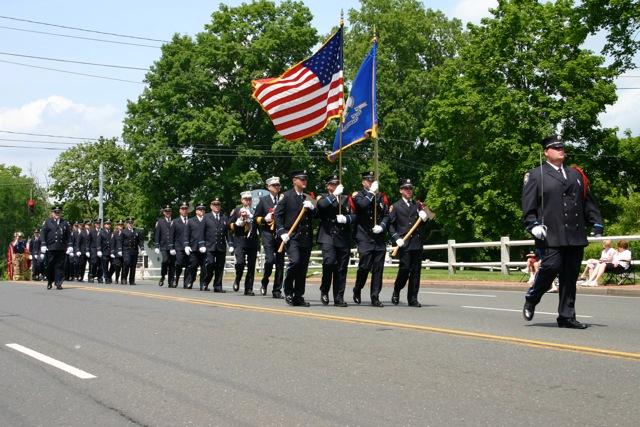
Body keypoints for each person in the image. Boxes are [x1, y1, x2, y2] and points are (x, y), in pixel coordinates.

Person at [521, 134, 603, 329]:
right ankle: (533, 297)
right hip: (550, 233)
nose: (560, 150)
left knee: (570, 275)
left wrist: (596, 221)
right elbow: (528, 205)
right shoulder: (535, 175)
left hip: (574, 233)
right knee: (551, 267)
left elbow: (587, 201)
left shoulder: (576, 175)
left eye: (562, 147)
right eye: (555, 147)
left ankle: (566, 317)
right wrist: (533, 225)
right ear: (546, 152)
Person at [275, 170, 316, 306]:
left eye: (305, 179)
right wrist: (281, 232)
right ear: (294, 181)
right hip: (291, 237)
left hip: (306, 237)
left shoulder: (307, 197)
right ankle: (288, 291)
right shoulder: (286, 196)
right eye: (301, 179)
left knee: (303, 268)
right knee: (295, 262)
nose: (304, 181)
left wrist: (312, 208)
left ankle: (298, 296)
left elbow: (315, 216)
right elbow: (278, 215)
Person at [389, 178, 432, 307]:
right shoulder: (395, 206)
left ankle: (413, 298)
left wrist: (426, 217)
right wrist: (396, 238)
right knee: (404, 269)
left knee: (416, 272)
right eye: (406, 188)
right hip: (404, 242)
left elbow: (430, 216)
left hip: (416, 243)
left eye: (410, 188)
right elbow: (390, 225)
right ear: (401, 190)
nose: (409, 191)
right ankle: (397, 290)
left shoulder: (418, 205)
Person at [352, 171, 390, 307]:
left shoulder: (381, 197)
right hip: (364, 236)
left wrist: (382, 226)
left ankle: (375, 296)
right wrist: (371, 193)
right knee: (364, 266)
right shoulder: (359, 195)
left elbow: (386, 215)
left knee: (378, 268)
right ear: (363, 182)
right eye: (369, 180)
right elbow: (362, 206)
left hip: (378, 237)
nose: (371, 182)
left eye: (373, 180)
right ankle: (357, 288)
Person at [316, 174, 353, 307]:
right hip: (328, 235)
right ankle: (324, 289)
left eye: (337, 184)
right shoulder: (323, 197)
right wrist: (333, 196)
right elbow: (320, 207)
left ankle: (339, 297)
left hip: (343, 236)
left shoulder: (346, 199)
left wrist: (347, 219)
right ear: (328, 186)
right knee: (329, 263)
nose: (335, 186)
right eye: (332, 184)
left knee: (341, 268)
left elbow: (354, 215)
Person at [254, 176, 285, 298]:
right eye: (274, 185)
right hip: (267, 234)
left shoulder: (283, 199)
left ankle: (277, 290)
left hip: (280, 234)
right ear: (269, 187)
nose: (277, 187)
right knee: (270, 260)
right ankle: (265, 281)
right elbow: (255, 218)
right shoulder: (263, 200)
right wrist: (264, 219)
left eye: (278, 185)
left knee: (280, 263)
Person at [229, 191, 259, 295]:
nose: (248, 201)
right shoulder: (237, 210)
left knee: (251, 266)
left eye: (249, 199)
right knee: (240, 263)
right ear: (242, 200)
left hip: (252, 241)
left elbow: (259, 223)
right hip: (240, 241)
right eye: (245, 199)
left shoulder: (255, 210)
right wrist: (238, 223)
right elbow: (229, 225)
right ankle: (237, 278)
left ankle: (248, 288)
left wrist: (251, 217)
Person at [40, 205, 74, 289]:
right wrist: (43, 244)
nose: (57, 213)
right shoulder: (48, 222)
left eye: (58, 212)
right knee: (50, 265)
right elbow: (43, 234)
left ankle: (59, 282)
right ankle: (50, 281)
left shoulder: (65, 223)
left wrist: (70, 245)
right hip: (51, 247)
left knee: (60, 266)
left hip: (61, 248)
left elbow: (68, 235)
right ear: (52, 213)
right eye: (55, 212)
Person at [203, 198, 229, 293]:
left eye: (218, 205)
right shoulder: (206, 217)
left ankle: (218, 286)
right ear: (211, 206)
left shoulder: (224, 217)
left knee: (220, 267)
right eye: (214, 205)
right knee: (210, 264)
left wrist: (230, 243)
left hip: (221, 246)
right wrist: (201, 244)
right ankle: (206, 281)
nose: (216, 206)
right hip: (209, 245)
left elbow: (227, 232)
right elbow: (201, 231)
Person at [185, 203, 207, 290]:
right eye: (200, 210)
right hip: (193, 247)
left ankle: (203, 284)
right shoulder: (191, 221)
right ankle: (191, 280)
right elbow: (186, 234)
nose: (202, 211)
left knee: (204, 267)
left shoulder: (207, 219)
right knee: (193, 265)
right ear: (196, 211)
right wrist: (186, 245)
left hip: (205, 247)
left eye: (203, 210)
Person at [154, 205, 175, 287]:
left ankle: (171, 281)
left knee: (172, 264)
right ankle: (163, 275)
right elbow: (157, 234)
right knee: (165, 260)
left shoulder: (174, 221)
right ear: (164, 213)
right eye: (166, 211)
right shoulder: (160, 222)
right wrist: (156, 246)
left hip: (173, 246)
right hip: (164, 245)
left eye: (169, 211)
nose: (168, 213)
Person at [171, 202, 190, 288]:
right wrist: (171, 247)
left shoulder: (191, 220)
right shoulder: (175, 221)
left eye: (186, 209)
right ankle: (176, 278)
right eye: (183, 209)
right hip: (179, 247)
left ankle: (186, 282)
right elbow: (171, 235)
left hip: (189, 247)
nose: (184, 210)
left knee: (189, 265)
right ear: (179, 210)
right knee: (179, 263)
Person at [121, 217, 145, 285]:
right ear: (127, 224)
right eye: (129, 223)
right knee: (127, 263)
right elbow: (121, 241)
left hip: (134, 251)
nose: (131, 224)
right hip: (126, 250)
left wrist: (142, 249)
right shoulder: (124, 231)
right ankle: (124, 278)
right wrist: (119, 250)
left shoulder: (136, 231)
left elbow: (140, 241)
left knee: (133, 266)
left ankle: (132, 280)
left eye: (132, 223)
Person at [98, 219, 114, 284]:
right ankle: (106, 278)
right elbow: (98, 242)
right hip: (104, 251)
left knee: (114, 264)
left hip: (111, 252)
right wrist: (99, 250)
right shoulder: (101, 232)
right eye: (107, 224)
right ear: (104, 225)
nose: (109, 225)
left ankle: (109, 275)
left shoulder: (111, 232)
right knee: (105, 266)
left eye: (109, 224)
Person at [88, 219, 103, 283]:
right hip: (93, 249)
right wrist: (87, 250)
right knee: (93, 263)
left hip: (101, 250)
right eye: (97, 223)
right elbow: (88, 241)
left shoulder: (102, 231)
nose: (98, 224)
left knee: (101, 264)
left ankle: (100, 277)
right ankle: (91, 276)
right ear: (95, 224)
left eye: (99, 223)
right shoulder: (91, 231)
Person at [111, 220, 125, 284]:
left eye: (121, 225)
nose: (120, 226)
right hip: (117, 253)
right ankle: (116, 278)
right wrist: (112, 252)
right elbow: (113, 243)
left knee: (124, 267)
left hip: (124, 252)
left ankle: (122, 279)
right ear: (117, 226)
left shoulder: (125, 233)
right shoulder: (115, 233)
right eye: (119, 225)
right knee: (117, 267)